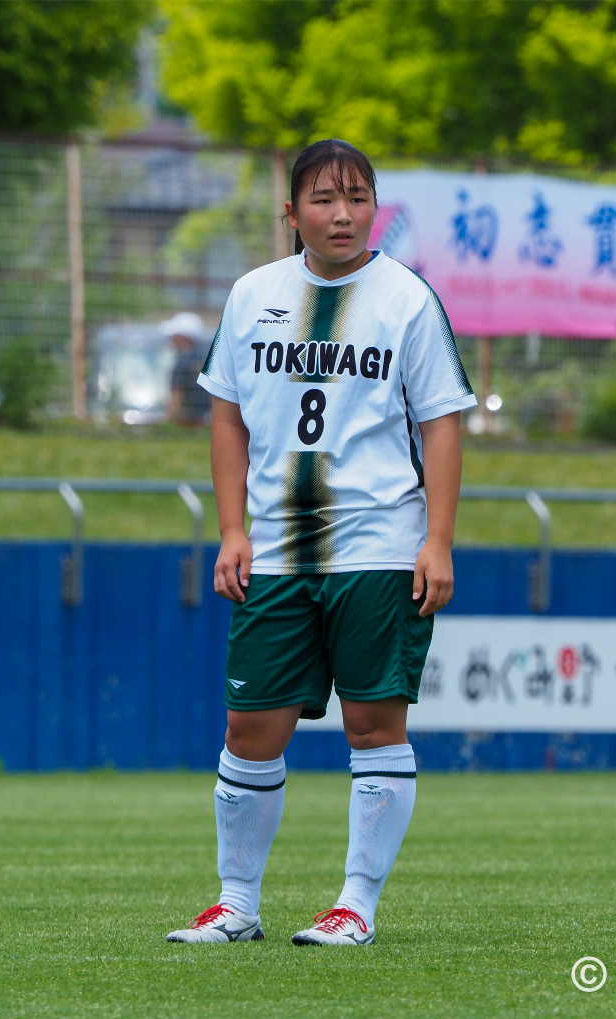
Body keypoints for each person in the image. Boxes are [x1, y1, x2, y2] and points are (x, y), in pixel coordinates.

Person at [167, 139, 476, 947]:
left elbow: (441, 423)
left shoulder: (408, 300)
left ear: (376, 206)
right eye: (324, 198)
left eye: (358, 197)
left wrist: (437, 540)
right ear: (292, 210)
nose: (342, 214)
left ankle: (356, 905)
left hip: (378, 547)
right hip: (273, 552)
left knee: (375, 728)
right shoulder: (252, 294)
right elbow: (227, 415)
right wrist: (232, 529)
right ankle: (236, 903)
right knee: (248, 730)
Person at [162, 312, 211, 426]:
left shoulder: (182, 362)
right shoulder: (204, 359)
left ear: (184, 337)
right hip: (205, 420)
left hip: (188, 422)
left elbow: (176, 396)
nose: (171, 339)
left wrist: (169, 423)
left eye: (174, 335)